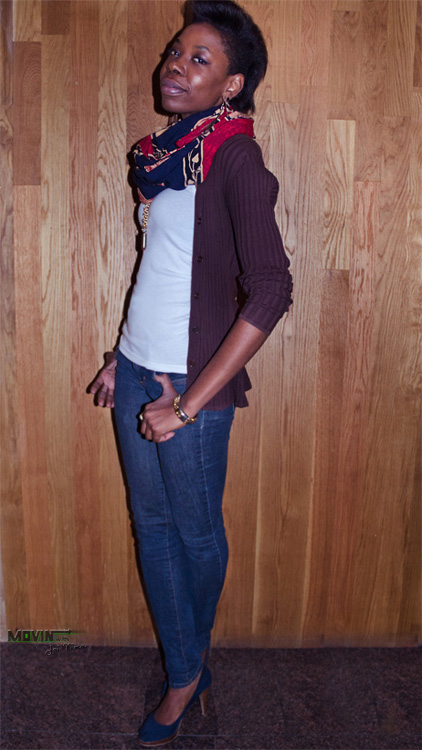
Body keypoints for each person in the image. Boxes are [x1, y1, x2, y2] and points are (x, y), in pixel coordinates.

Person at [89, 0, 293, 745]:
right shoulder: (168, 156)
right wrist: (121, 355)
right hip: (137, 369)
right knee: (151, 528)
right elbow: (165, 273)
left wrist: (186, 405)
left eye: (199, 58)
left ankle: (185, 670)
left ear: (232, 86)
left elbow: (271, 289)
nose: (175, 64)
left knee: (196, 535)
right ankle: (186, 663)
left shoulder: (235, 159)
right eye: (175, 51)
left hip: (190, 387)